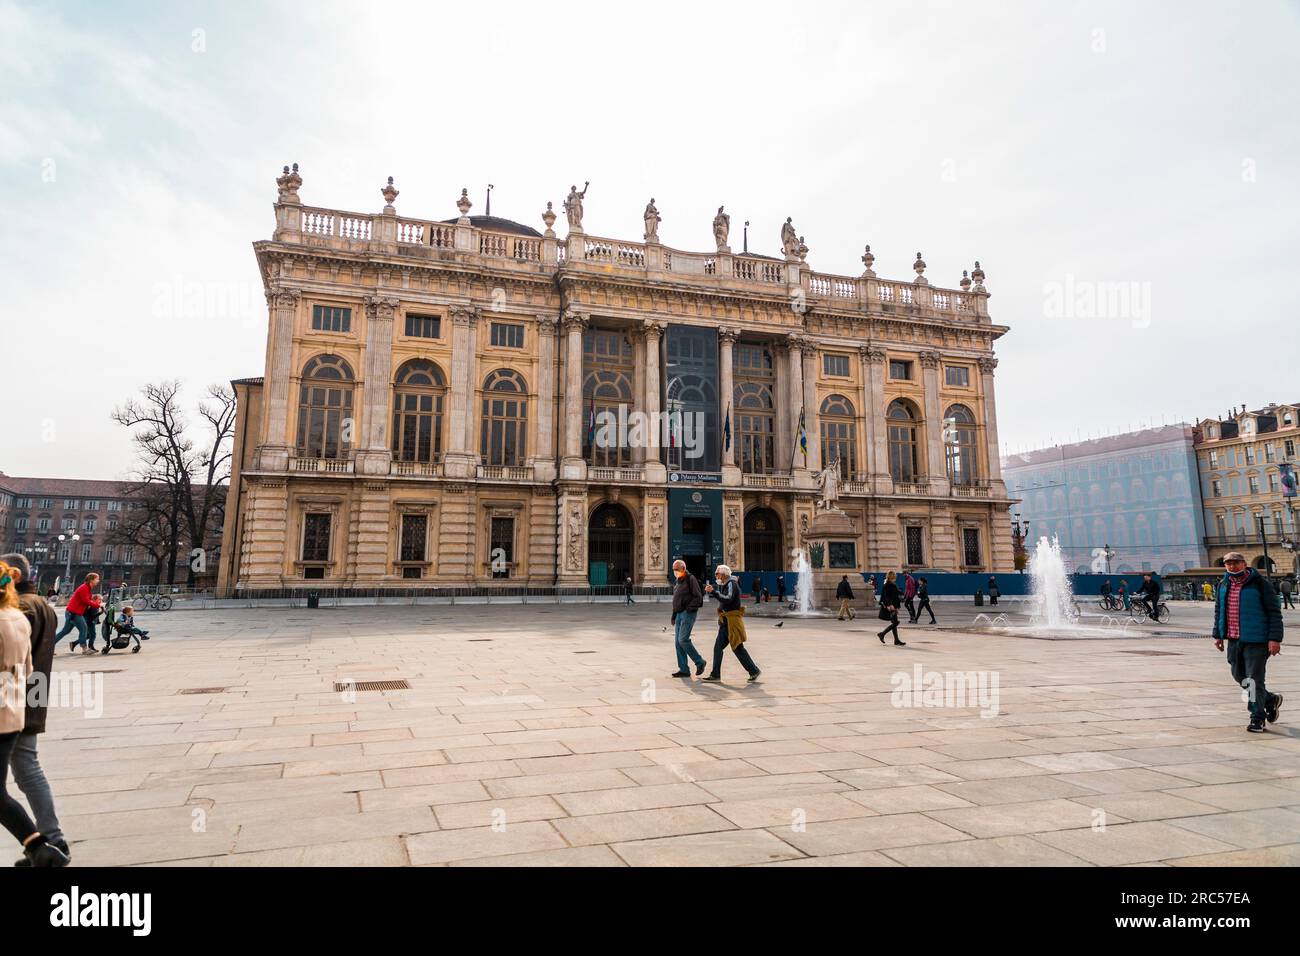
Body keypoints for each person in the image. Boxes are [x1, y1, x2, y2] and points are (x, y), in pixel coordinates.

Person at [0, 560, 69, 867]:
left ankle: (50, 842)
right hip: (29, 695)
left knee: (27, 770)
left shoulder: (21, 610)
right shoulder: (42, 605)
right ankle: (44, 842)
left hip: (16, 699)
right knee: (26, 771)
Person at [1212, 552, 1284, 733]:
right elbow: (1219, 611)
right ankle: (1269, 699)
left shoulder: (1260, 584)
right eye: (1228, 563)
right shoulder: (1223, 585)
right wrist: (1218, 635)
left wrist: (1274, 639)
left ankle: (1257, 718)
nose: (1232, 566)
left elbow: (1274, 613)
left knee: (1253, 680)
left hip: (1257, 641)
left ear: (1244, 564)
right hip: (1234, 640)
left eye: (1235, 563)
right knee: (1239, 676)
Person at [701, 564, 760, 683]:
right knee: (721, 648)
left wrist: (714, 592)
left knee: (737, 647)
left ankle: (753, 670)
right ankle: (716, 674)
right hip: (726, 621)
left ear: (723, 574)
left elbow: (728, 599)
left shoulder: (731, 584)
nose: (715, 575)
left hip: (731, 621)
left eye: (717, 573)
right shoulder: (725, 584)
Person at [668, 559, 706, 678]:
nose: (675, 571)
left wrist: (689, 609)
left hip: (687, 613)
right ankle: (684, 669)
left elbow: (698, 597)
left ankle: (700, 662)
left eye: (677, 569)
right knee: (678, 643)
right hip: (679, 614)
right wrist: (674, 615)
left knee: (683, 640)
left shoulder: (691, 579)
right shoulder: (678, 581)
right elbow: (677, 599)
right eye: (674, 569)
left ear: (683, 568)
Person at [54, 572, 100, 655]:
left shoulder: (87, 588)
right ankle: (84, 649)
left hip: (72, 612)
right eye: (97, 579)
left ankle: (49, 647)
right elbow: (85, 600)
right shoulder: (84, 588)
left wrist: (92, 605)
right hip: (74, 612)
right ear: (91, 580)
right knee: (84, 628)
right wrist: (96, 605)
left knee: (65, 631)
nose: (98, 581)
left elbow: (85, 602)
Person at [876, 571, 905, 646]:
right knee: (895, 623)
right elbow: (886, 596)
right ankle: (882, 634)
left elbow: (895, 596)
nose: (896, 577)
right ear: (892, 576)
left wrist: (897, 606)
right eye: (895, 576)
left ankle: (896, 640)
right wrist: (890, 605)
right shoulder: (888, 584)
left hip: (894, 605)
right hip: (891, 606)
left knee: (894, 622)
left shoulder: (891, 584)